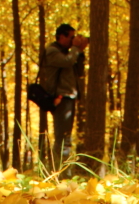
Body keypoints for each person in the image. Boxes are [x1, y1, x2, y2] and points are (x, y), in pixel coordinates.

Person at [41, 24, 87, 169]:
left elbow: (79, 71)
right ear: (61, 36)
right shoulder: (52, 51)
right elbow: (67, 62)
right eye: (71, 37)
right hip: (61, 98)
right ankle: (59, 171)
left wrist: (80, 51)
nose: (73, 40)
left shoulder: (68, 53)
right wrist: (75, 49)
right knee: (62, 138)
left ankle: (62, 170)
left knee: (66, 137)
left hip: (70, 97)